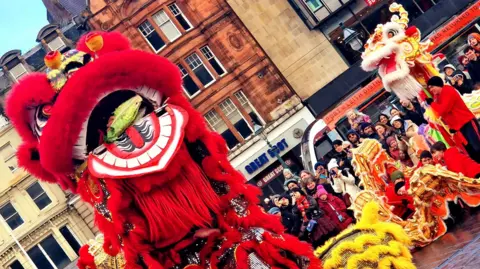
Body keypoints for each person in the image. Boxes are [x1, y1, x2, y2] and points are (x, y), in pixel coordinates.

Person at [426, 76, 480, 162]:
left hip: (466, 122)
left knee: (477, 146)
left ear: (438, 84)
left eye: (432, 87)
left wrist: (432, 104)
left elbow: (443, 110)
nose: (431, 90)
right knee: (471, 151)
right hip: (458, 128)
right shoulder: (437, 97)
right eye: (429, 88)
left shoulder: (448, 90)